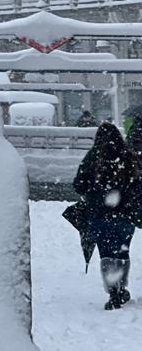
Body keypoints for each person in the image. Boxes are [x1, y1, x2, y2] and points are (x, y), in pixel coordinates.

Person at [72, 122, 138, 310]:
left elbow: (79, 184)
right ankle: (121, 287)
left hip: (100, 216)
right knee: (123, 251)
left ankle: (113, 292)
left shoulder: (93, 157)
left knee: (107, 254)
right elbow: (136, 185)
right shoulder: (128, 157)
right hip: (125, 216)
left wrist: (94, 195)